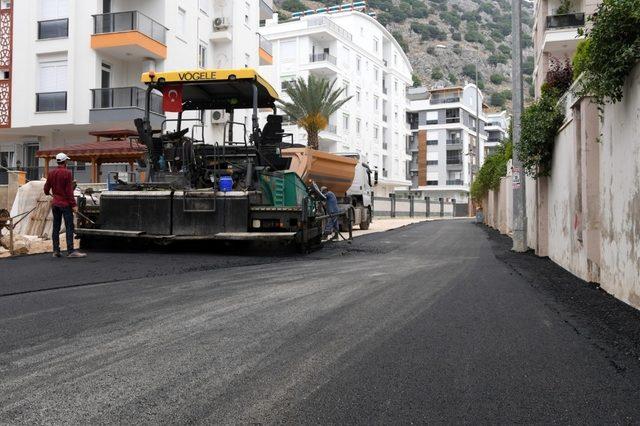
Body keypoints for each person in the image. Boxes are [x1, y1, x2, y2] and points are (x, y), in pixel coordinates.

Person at [44, 153, 87, 258]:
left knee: (56, 227)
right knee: (69, 226)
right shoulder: (67, 173)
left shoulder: (51, 173)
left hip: (55, 204)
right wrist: (74, 205)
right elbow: (69, 191)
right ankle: (71, 251)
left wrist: (47, 193)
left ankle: (56, 250)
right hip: (65, 204)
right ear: (65, 162)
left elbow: (46, 188)